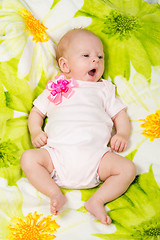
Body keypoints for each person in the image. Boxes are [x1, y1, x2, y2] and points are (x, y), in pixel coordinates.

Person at [21, 29, 136, 225]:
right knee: (28, 158)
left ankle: (97, 200)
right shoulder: (55, 86)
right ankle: (54, 193)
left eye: (100, 56)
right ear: (65, 65)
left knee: (127, 169)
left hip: (97, 159)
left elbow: (120, 114)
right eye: (86, 55)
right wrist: (36, 131)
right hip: (56, 157)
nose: (96, 61)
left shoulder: (104, 89)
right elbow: (36, 112)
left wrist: (123, 133)